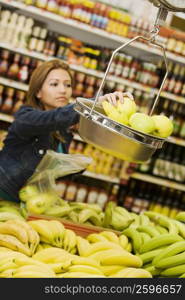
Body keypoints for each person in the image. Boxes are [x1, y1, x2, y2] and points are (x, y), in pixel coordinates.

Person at [0, 59, 133, 202]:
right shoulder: (26, 117)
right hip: (4, 195)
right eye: (54, 84)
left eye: (67, 85)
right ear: (38, 91)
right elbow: (54, 118)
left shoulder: (64, 130)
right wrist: (95, 103)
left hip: (30, 202)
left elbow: (46, 173)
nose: (63, 90)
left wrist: (73, 166)